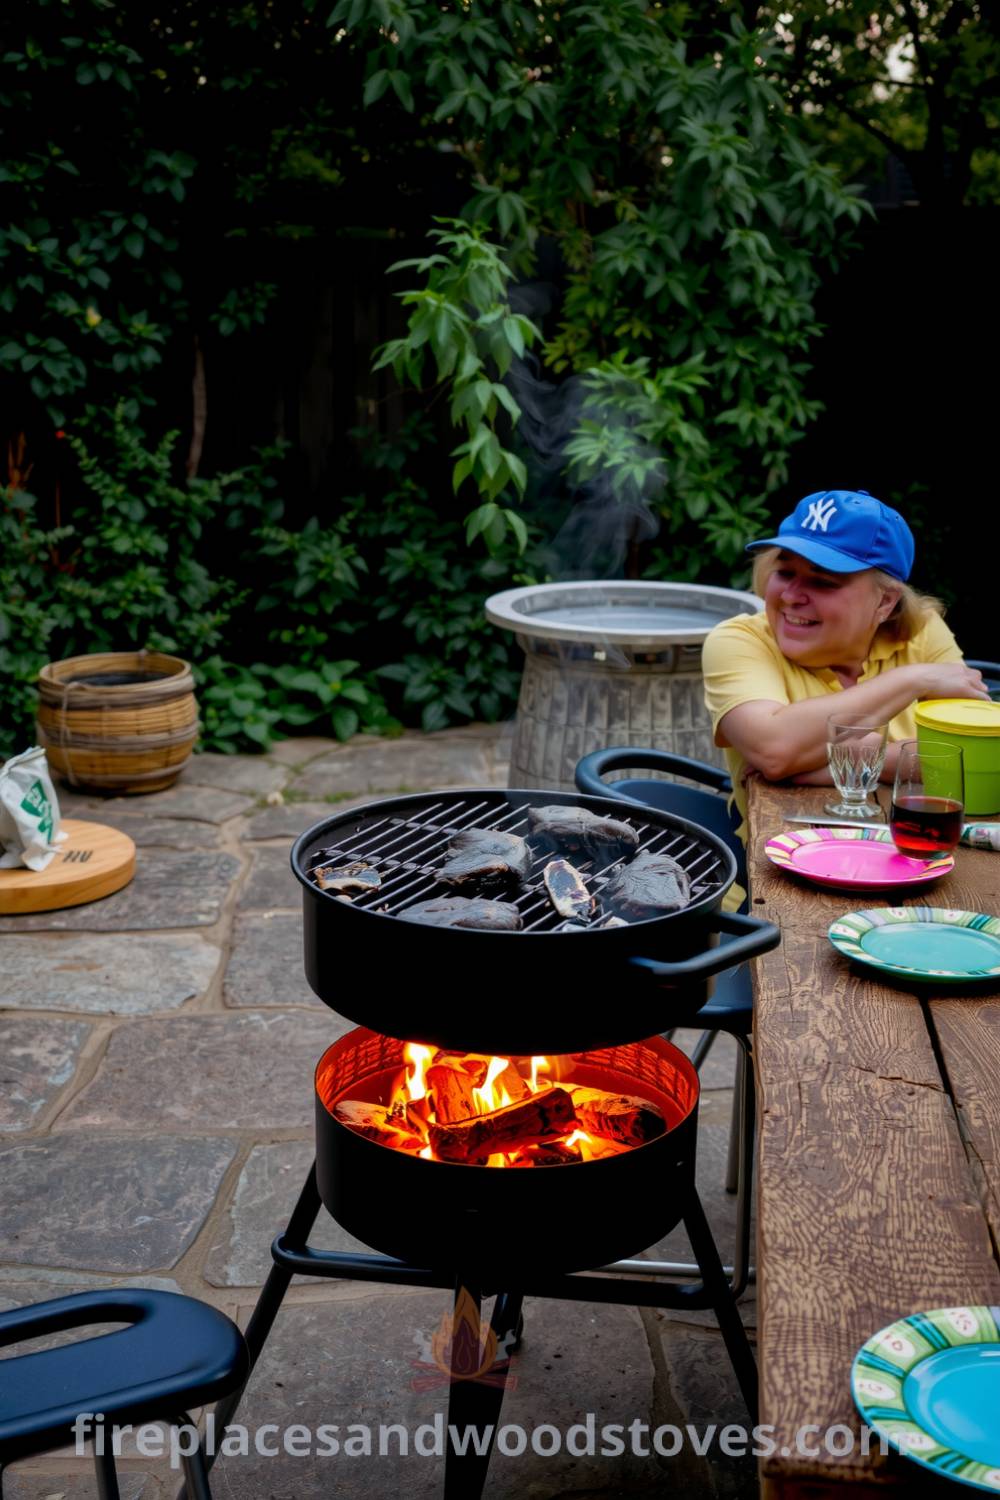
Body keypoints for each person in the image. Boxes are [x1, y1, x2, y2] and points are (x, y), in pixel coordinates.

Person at [702, 488, 989, 837]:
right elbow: (775, 750)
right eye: (785, 572)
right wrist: (914, 680)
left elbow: (973, 761)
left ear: (884, 602)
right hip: (776, 877)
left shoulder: (924, 630)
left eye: (823, 582)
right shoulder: (739, 639)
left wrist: (858, 757)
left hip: (915, 859)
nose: (791, 597)